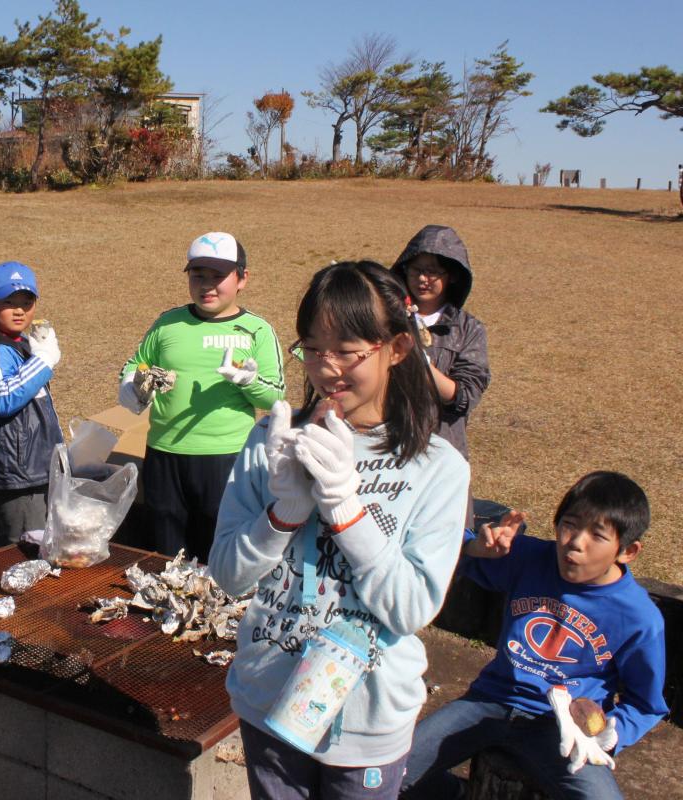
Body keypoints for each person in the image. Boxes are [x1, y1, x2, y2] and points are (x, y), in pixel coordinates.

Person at [208, 260, 470, 799]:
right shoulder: (273, 441)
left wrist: (346, 509)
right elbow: (230, 576)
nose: (327, 370)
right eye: (312, 348)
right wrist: (282, 513)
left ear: (396, 348)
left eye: (348, 350)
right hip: (267, 698)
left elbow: (411, 607)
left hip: (368, 719)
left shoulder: (438, 466)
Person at [400, 471, 667, 800]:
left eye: (597, 535)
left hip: (560, 728)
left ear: (627, 551)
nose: (575, 542)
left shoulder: (639, 617)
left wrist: (612, 733)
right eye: (569, 524)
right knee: (385, 770)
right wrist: (474, 547)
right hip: (488, 702)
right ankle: (456, 793)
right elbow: (444, 551)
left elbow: (647, 705)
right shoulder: (530, 558)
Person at [117, 232, 285, 562]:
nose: (207, 286)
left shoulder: (257, 330)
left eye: (218, 276)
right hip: (165, 455)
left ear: (242, 279)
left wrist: (248, 382)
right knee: (166, 551)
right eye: (198, 275)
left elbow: (275, 397)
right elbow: (135, 366)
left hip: (228, 457)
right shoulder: (168, 323)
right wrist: (134, 388)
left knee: (220, 549)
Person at [0, 261, 63, 549]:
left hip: (29, 467)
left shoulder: (16, 342)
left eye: (27, 302)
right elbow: (2, 398)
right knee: (21, 548)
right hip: (14, 471)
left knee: (24, 544)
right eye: (9, 302)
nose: (20, 310)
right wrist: (43, 361)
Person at [391, 225, 489, 464]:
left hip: (444, 453)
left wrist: (421, 365)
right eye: (416, 270)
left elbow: (465, 397)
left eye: (433, 272)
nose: (423, 279)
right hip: (389, 448)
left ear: (453, 275)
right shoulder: (387, 319)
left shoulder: (468, 329)